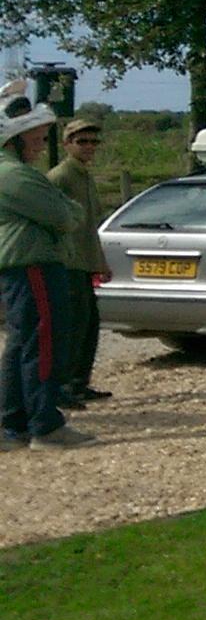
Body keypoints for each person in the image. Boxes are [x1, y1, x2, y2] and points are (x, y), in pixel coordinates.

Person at [0, 79, 87, 448]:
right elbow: (64, 215)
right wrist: (69, 209)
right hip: (33, 264)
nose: (39, 143)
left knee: (22, 343)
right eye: (34, 137)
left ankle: (12, 424)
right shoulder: (15, 175)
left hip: (20, 266)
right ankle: (46, 425)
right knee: (45, 342)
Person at [47, 116, 110, 406]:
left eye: (93, 142)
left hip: (84, 262)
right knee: (72, 326)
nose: (88, 147)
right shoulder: (60, 177)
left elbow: (89, 227)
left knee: (89, 325)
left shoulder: (84, 176)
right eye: (81, 141)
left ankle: (79, 382)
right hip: (68, 263)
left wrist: (100, 262)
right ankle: (65, 386)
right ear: (67, 144)